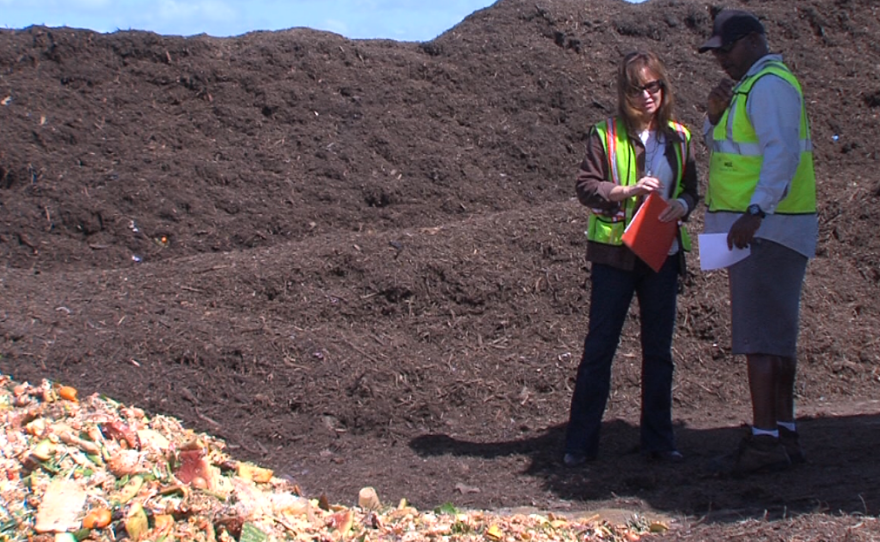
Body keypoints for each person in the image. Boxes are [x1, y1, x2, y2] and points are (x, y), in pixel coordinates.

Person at [563, 51, 699, 467]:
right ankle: (580, 444)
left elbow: (693, 189)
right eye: (637, 88)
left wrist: (683, 206)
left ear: (664, 87)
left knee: (659, 350)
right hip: (615, 255)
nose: (647, 95)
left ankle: (659, 440)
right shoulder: (605, 135)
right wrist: (626, 190)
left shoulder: (681, 136)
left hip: (661, 252)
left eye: (653, 85)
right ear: (624, 94)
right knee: (600, 347)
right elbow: (585, 186)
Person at [698, 9, 818, 475]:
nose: (721, 60)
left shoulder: (768, 87)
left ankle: (765, 440)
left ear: (750, 41)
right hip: (768, 228)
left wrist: (755, 212)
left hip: (765, 231)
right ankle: (783, 433)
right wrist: (713, 117)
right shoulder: (751, 87)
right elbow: (730, 149)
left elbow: (781, 155)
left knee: (761, 340)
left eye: (726, 49)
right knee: (774, 337)